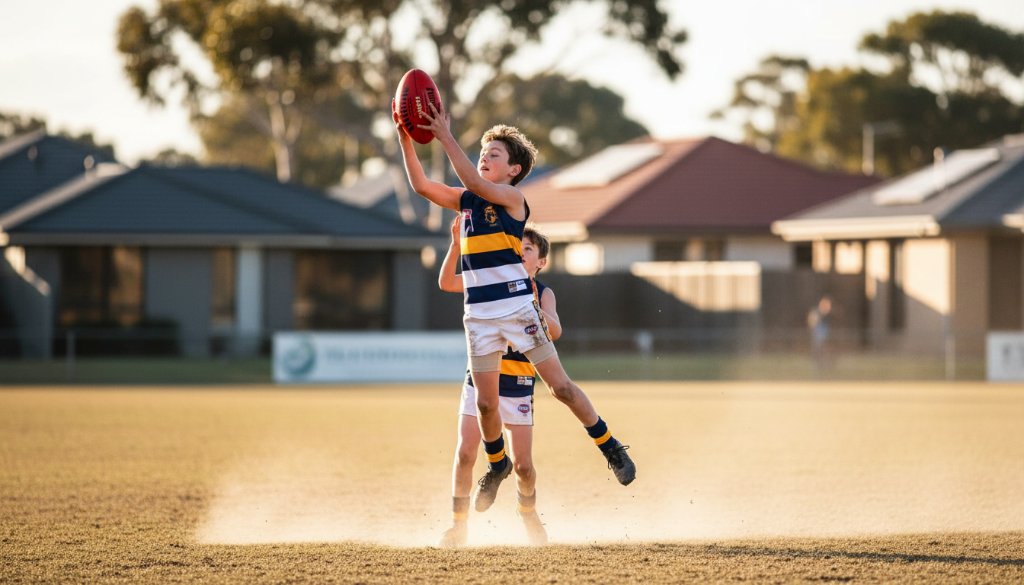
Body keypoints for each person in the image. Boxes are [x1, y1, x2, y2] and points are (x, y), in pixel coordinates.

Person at [393, 101, 636, 516]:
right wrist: (405, 136)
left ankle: (609, 444)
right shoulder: (465, 201)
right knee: (486, 406)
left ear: (513, 171)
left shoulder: (512, 200)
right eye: (484, 151)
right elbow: (421, 186)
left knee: (561, 388)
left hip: (519, 311)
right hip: (480, 318)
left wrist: (444, 135)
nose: (485, 157)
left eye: (495, 154)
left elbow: (471, 178)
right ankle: (497, 462)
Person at [437, 218, 557, 547]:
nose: (519, 253)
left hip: (518, 384)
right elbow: (447, 282)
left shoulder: (543, 294)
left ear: (540, 262)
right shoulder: (488, 282)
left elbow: (556, 331)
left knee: (524, 467)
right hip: (480, 381)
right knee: (465, 453)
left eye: (527, 249)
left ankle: (527, 511)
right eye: (514, 248)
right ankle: (458, 526)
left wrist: (530, 307)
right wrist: (457, 245)